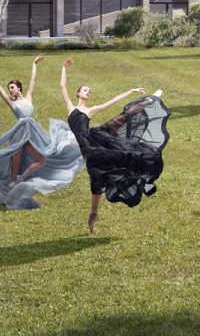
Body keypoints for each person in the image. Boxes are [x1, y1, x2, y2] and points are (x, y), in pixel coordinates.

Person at [58, 60, 166, 233]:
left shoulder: (90, 110)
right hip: (88, 147)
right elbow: (62, 87)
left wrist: (130, 91)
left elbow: (113, 101)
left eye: (89, 91)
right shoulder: (71, 109)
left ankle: (150, 101)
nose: (88, 92)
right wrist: (64, 67)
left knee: (122, 119)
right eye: (85, 90)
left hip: (95, 137)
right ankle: (93, 213)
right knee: (97, 177)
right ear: (78, 93)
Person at [0, 59, 84, 210]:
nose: (11, 90)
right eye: (9, 88)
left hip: (32, 133)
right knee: (16, 164)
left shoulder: (28, 98)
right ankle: (12, 191)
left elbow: (33, 80)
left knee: (42, 159)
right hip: (19, 134)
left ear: (19, 88)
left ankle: (22, 178)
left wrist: (34, 64)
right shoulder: (13, 104)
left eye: (12, 87)